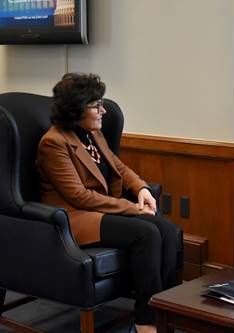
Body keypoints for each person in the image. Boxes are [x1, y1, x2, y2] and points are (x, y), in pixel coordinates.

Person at [37, 73, 177, 333]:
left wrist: (142, 189)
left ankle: (165, 313)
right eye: (96, 105)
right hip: (74, 217)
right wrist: (133, 208)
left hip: (101, 209)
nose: (103, 110)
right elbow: (79, 196)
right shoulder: (54, 142)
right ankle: (146, 322)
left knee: (166, 229)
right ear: (76, 109)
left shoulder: (92, 134)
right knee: (146, 233)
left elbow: (119, 167)